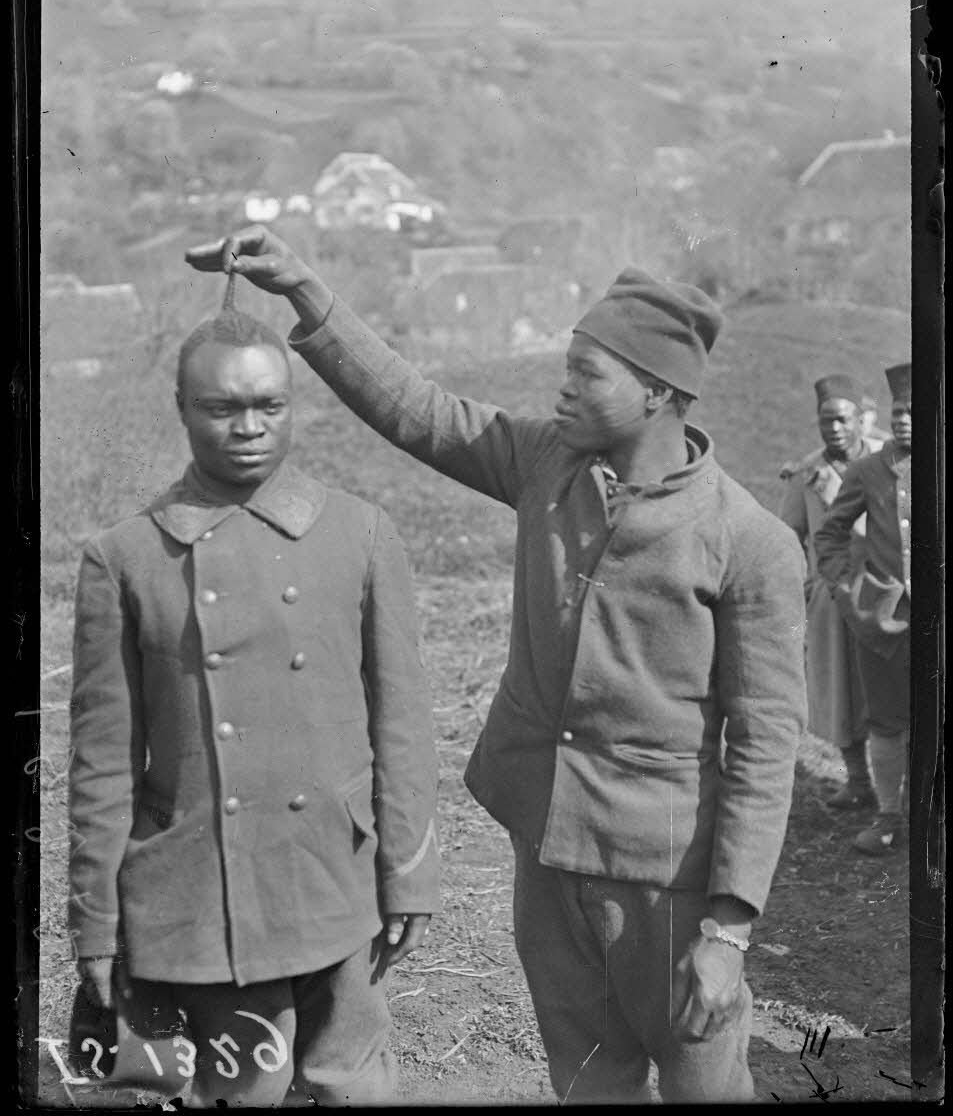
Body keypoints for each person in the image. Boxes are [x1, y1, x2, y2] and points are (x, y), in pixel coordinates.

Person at [187, 227, 808, 1105]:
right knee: (590, 1082)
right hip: (546, 847)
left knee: (706, 1086)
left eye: (587, 371)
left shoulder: (749, 543)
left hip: (666, 880)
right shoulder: (545, 461)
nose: (563, 383)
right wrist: (305, 291)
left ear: (659, 392)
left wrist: (730, 930)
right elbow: (418, 410)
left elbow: (764, 744)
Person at [67, 301, 439, 1107]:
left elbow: (402, 724)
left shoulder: (361, 535)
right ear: (181, 410)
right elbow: (101, 767)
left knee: (353, 1089)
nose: (249, 428)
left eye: (269, 405)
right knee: (240, 1091)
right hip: (201, 894)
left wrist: (408, 874)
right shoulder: (124, 558)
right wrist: (94, 925)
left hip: (331, 879)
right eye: (222, 408)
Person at [815, 363, 911, 856]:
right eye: (898, 412)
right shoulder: (867, 470)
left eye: (915, 412)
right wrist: (845, 586)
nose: (904, 421)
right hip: (884, 622)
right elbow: (829, 533)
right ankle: (889, 817)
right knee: (888, 722)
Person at [778, 374, 883, 809]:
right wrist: (805, 585)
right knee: (841, 690)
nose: (834, 429)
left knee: (890, 690)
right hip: (833, 597)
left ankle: (902, 790)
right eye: (826, 422)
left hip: (885, 592)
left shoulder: (890, 460)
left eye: (843, 420)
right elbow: (788, 534)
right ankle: (858, 781)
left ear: (862, 419)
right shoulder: (806, 473)